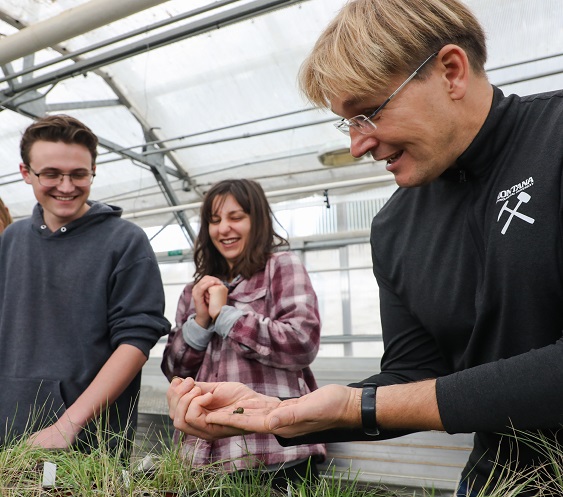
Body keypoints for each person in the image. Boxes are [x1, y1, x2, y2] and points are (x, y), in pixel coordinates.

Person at [166, 0, 563, 495]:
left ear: (451, 71)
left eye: (369, 113)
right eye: (347, 123)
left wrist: (360, 407)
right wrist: (283, 414)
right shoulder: (396, 226)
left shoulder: (555, 137)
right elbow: (414, 374)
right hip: (498, 480)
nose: (358, 145)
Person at [0, 114, 170, 453]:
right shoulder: (12, 239)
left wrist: (67, 426)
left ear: (93, 171)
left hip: (86, 443)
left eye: (79, 174)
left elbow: (135, 344)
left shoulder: (126, 242)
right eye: (51, 174)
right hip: (8, 432)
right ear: (26, 173)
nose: (66, 186)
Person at [161, 179, 325, 489]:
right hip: (203, 456)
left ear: (257, 219)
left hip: (276, 451)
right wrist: (201, 319)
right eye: (215, 220)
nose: (224, 228)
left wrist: (226, 316)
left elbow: (302, 343)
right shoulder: (195, 290)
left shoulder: (281, 267)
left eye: (236, 217)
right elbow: (175, 371)